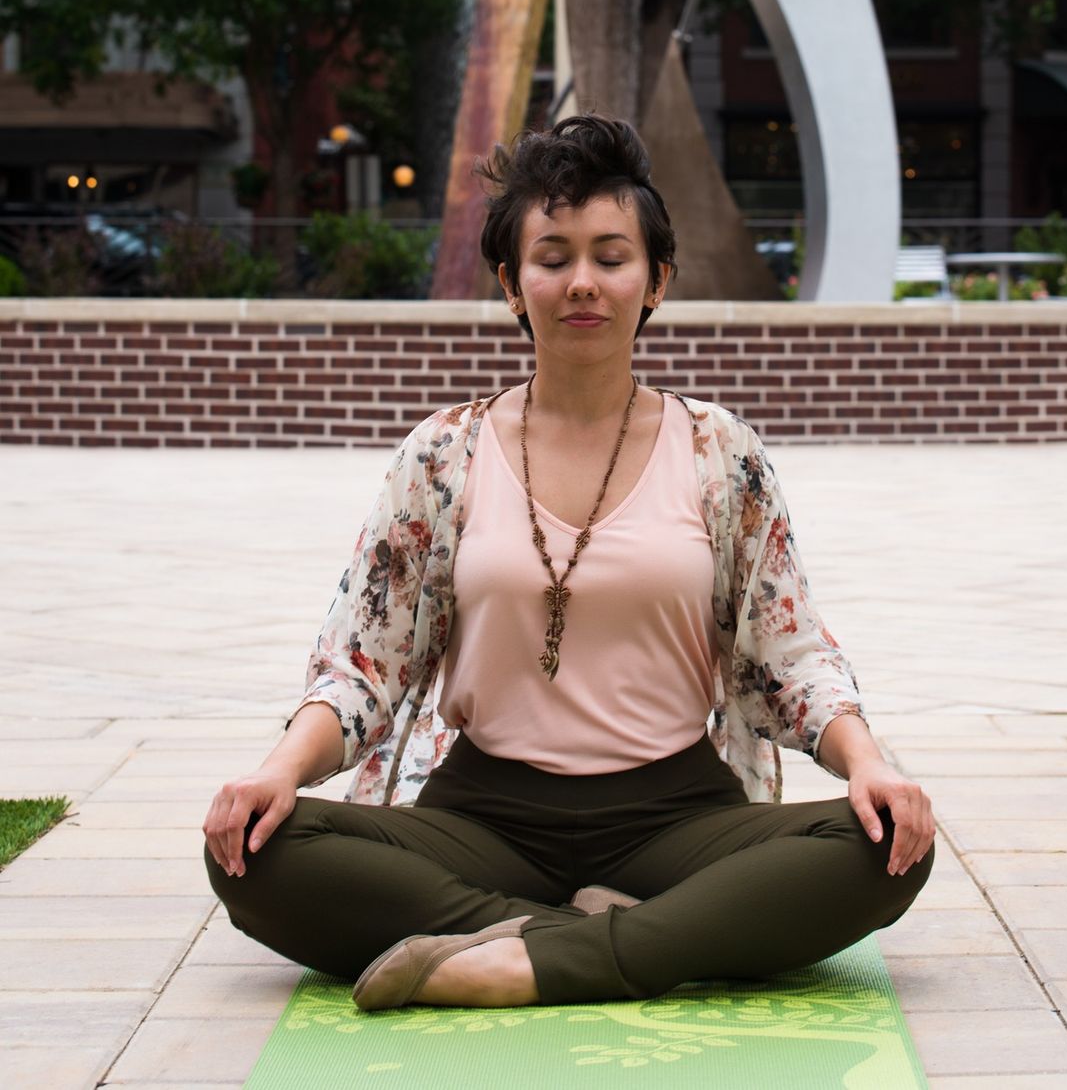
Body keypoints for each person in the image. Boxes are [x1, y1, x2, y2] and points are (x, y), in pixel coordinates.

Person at [203, 115, 935, 1011]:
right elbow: (366, 664)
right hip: (482, 817)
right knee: (251, 853)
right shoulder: (444, 454)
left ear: (656, 279)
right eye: (553, 258)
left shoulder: (719, 452)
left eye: (611, 256)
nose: (581, 282)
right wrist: (277, 772)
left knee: (889, 843)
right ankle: (624, 938)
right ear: (514, 284)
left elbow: (793, 657)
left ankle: (515, 955)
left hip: (677, 816)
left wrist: (868, 763)